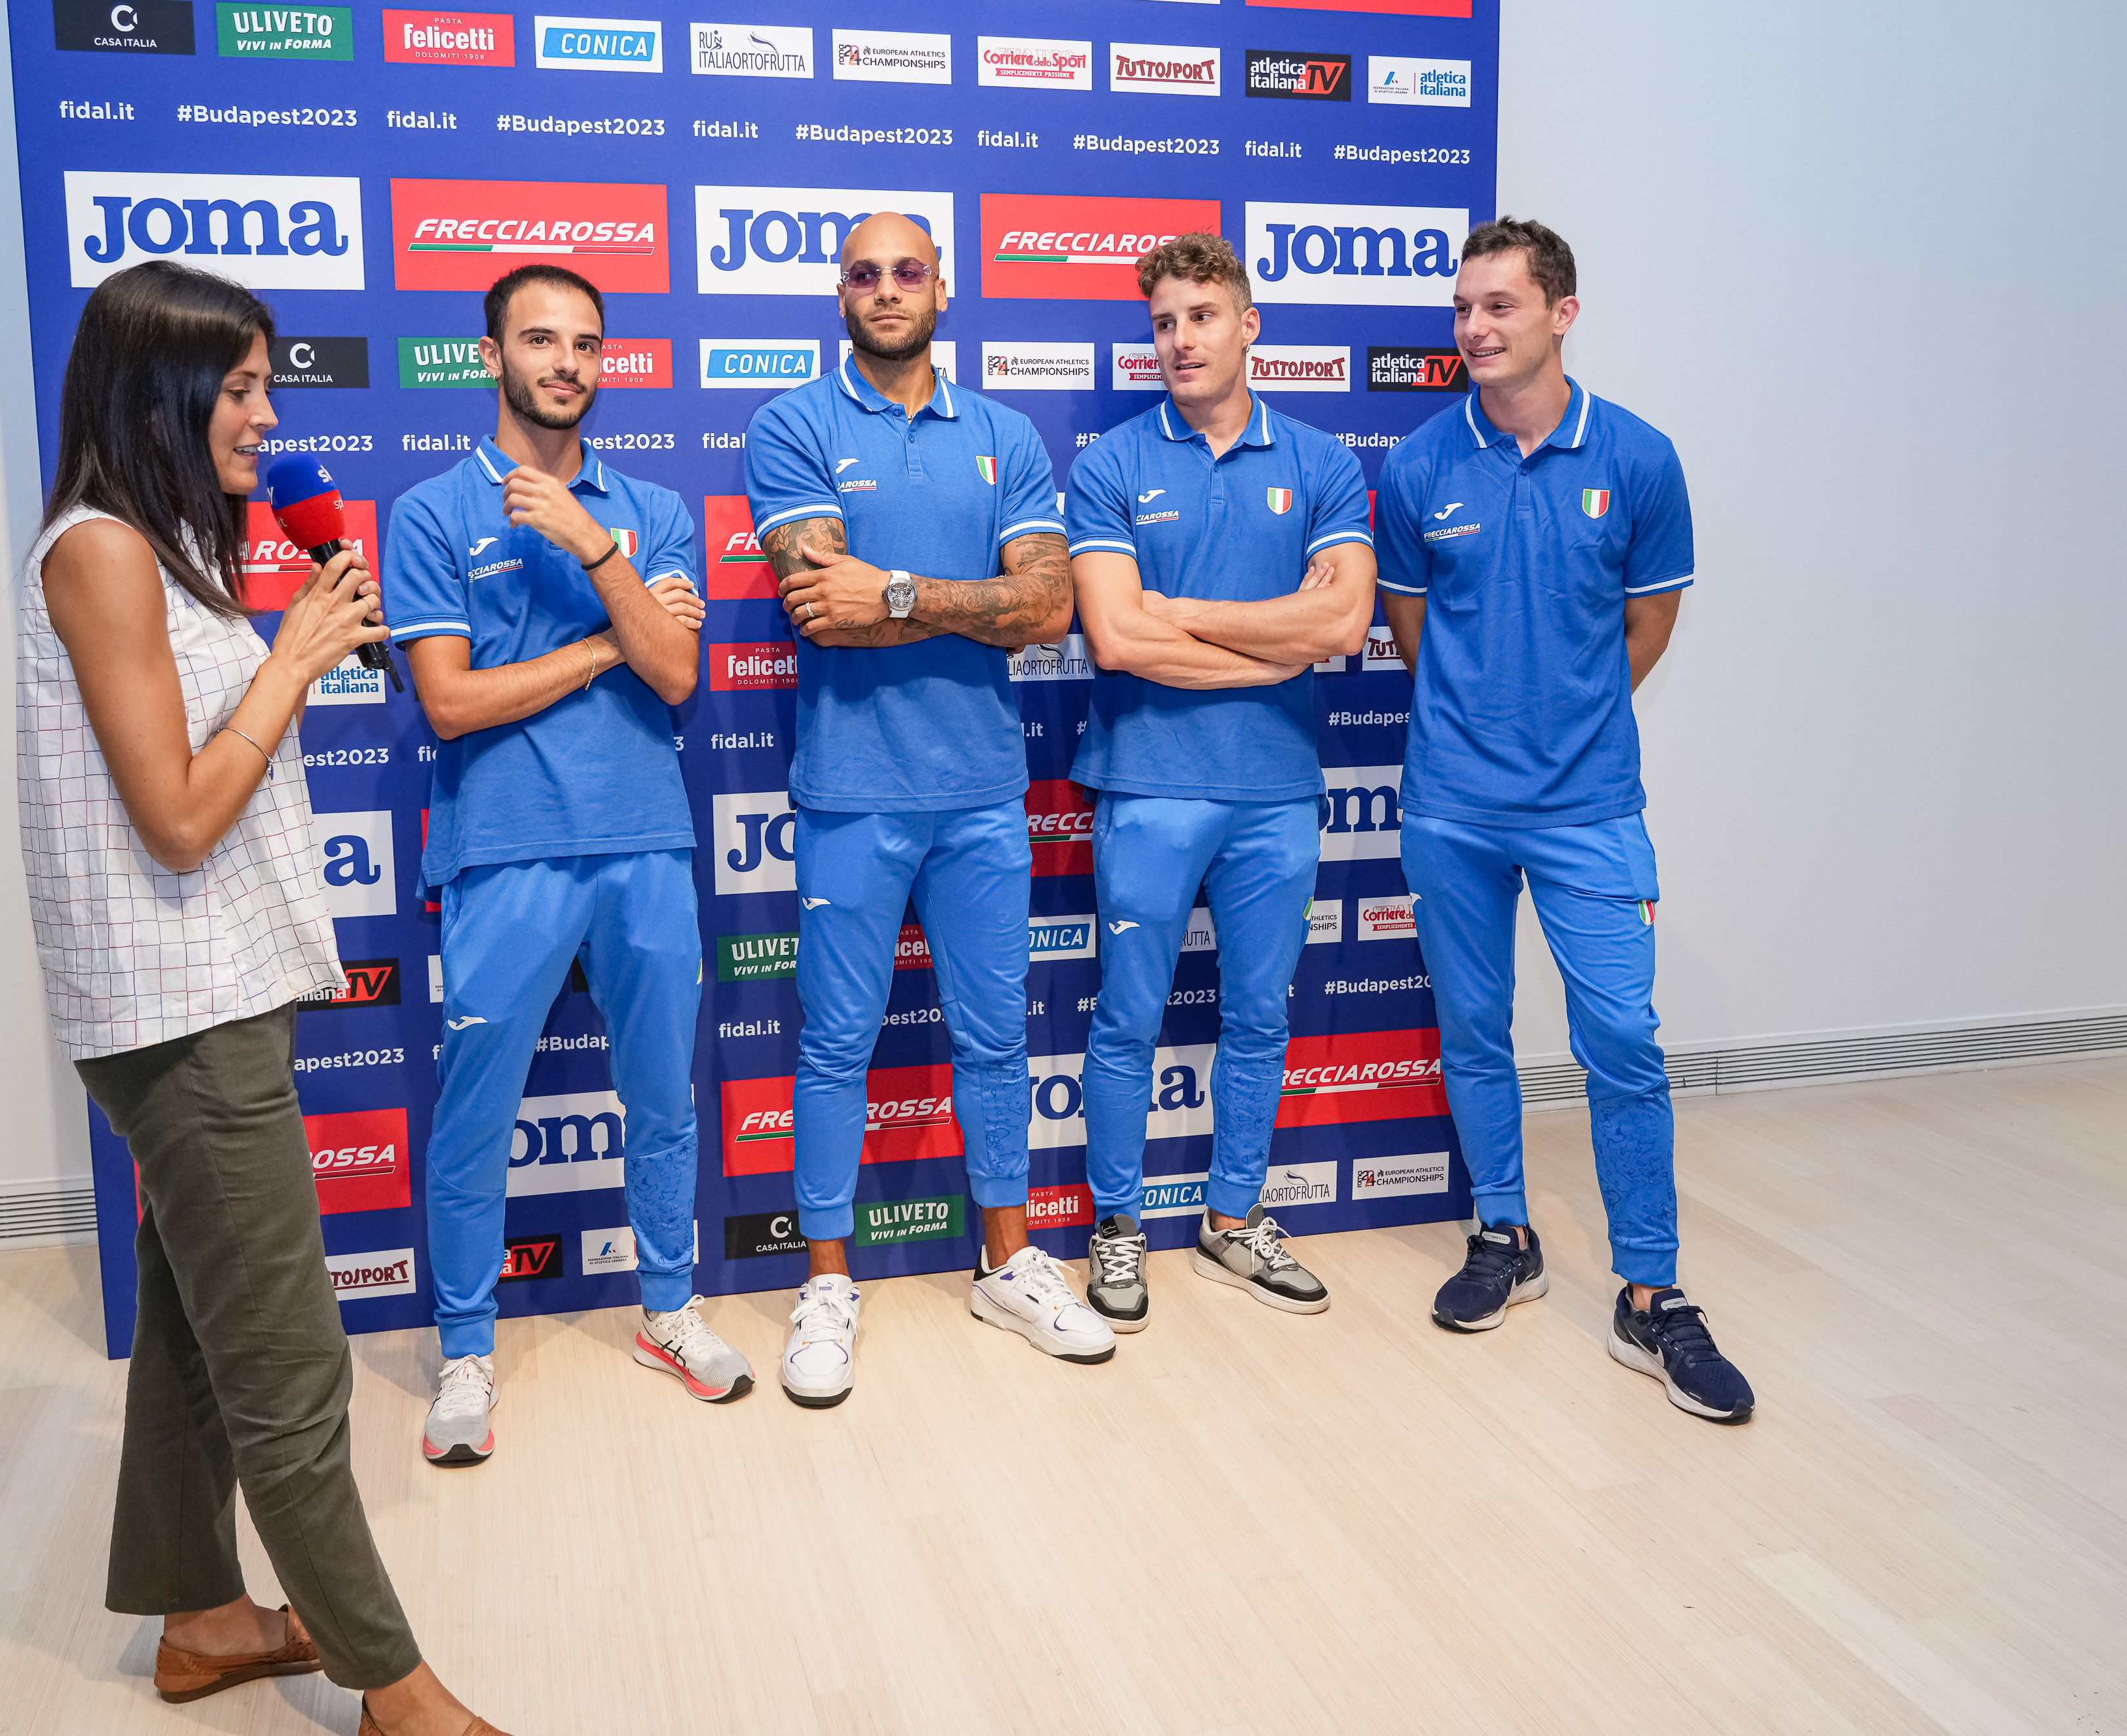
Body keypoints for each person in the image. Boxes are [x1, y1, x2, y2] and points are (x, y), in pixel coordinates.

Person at [17, 259, 510, 1732]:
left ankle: (201, 1617)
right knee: (292, 1368)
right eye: (238, 388)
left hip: (217, 988)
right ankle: (397, 1692)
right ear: (158, 393)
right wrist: (291, 662)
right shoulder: (101, 551)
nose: (268, 415)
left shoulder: (169, 545)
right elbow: (176, 817)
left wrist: (287, 637)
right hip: (176, 1012)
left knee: (193, 1319)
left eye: (266, 384)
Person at [1374, 217, 1755, 1422]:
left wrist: (1563, 719)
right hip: (1452, 807)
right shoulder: (1419, 466)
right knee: (1474, 1031)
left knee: (1623, 1041)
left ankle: (1651, 1294)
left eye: (1500, 305)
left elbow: (1649, 625)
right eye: (1462, 308)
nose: (1474, 328)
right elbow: (1412, 627)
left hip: (1589, 807)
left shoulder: (1639, 458)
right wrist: (1488, 723)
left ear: (1561, 313)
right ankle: (1506, 1234)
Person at [380, 264, 747, 1465]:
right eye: (541, 340)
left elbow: (678, 674)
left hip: (645, 841)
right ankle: (466, 1349)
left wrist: (595, 546)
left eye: (587, 343)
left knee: (664, 1101)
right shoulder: (433, 512)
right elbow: (450, 703)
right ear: (493, 355)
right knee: (476, 1117)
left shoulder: (651, 509)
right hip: (504, 851)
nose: (567, 363)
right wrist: (606, 644)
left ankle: (668, 1310)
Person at [744, 212, 1111, 1407]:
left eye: (909, 272)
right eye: (867, 274)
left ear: (943, 288)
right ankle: (826, 1283)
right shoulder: (794, 424)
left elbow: (1047, 610)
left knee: (996, 1040)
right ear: (841, 293)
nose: (889, 290)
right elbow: (824, 606)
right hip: (853, 793)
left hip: (982, 796)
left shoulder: (1005, 433)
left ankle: (1007, 1262)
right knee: (836, 1044)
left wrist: (897, 590)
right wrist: (969, 600)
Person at [1064, 233, 1376, 1332]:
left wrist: (1182, 615)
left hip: (1276, 790)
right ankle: (1116, 1224)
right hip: (1148, 785)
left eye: (1202, 316)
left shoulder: (1323, 462)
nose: (1181, 340)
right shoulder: (1109, 465)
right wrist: (1277, 644)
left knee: (1258, 1016)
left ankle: (1232, 1218)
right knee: (1128, 1018)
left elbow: (1345, 624)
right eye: (1163, 323)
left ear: (1249, 326)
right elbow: (1115, 637)